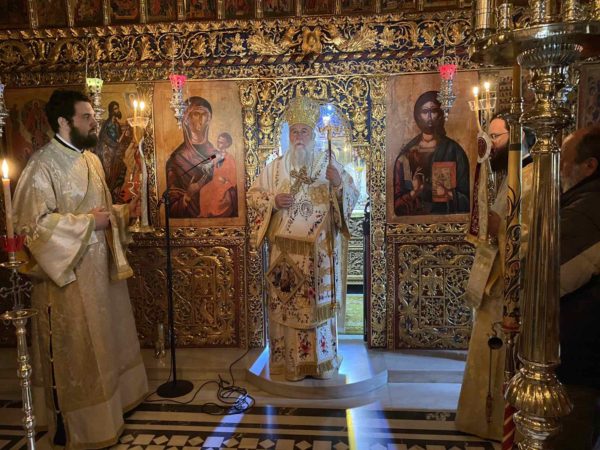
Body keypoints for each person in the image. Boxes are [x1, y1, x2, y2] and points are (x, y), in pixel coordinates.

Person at [12, 89, 148, 449]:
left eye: (92, 116)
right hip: (68, 282)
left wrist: (122, 214)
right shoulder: (41, 166)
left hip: (100, 274)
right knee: (80, 352)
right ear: (63, 121)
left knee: (105, 341)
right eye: (86, 117)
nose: (94, 122)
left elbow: (102, 211)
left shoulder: (91, 160)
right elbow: (31, 228)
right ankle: (80, 426)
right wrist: (89, 223)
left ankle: (114, 409)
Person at [247, 97, 359, 381]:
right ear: (289, 135)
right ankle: (290, 365)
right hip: (285, 256)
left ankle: (322, 363)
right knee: (288, 307)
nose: (299, 137)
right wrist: (273, 201)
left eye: (304, 132)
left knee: (315, 309)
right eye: (294, 132)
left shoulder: (327, 164)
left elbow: (351, 194)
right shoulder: (274, 169)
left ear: (313, 134)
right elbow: (253, 197)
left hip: (319, 257)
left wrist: (337, 182)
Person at [456, 114, 533, 441]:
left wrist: (500, 229)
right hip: (496, 283)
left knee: (500, 351)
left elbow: (530, 236)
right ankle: (483, 421)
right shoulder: (509, 175)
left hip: (512, 289)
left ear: (519, 137)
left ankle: (500, 424)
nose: (490, 144)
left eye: (496, 137)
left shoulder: (530, 177)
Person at [552, 125, 600, 450]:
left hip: (582, 357)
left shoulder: (588, 209)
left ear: (589, 166)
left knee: (568, 434)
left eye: (565, 160)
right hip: (583, 351)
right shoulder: (583, 201)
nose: (560, 169)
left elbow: (551, 276)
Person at [393, 91, 470, 216]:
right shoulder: (406, 155)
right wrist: (414, 193)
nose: (429, 116)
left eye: (433, 111)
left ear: (440, 114)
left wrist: (448, 194)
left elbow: (469, 200)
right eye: (424, 112)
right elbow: (396, 206)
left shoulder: (454, 151)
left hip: (446, 221)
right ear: (418, 115)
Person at [166, 96, 217, 218]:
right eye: (196, 114)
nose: (200, 118)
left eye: (204, 114)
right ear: (186, 119)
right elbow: (170, 208)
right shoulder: (177, 159)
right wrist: (188, 195)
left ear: (209, 119)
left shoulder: (216, 154)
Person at [199, 131, 238, 217]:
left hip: (224, 183)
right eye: (218, 141)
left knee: (218, 195)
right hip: (215, 182)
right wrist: (204, 165)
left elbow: (233, 176)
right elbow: (208, 161)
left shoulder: (230, 158)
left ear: (227, 144)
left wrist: (226, 182)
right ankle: (204, 213)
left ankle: (214, 213)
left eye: (221, 142)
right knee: (203, 191)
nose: (218, 144)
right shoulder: (216, 155)